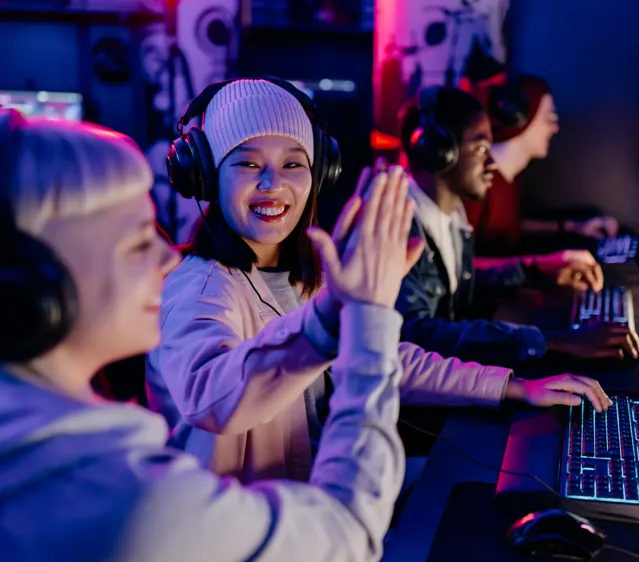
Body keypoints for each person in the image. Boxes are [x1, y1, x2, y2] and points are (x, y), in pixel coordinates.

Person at [0, 107, 420, 561]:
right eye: (138, 241)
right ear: (26, 286)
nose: (166, 259)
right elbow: (348, 534)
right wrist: (369, 318)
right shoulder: (134, 503)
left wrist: (333, 316)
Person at [145, 78, 612, 480]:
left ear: (319, 173)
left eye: (293, 164)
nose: (273, 184)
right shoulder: (196, 290)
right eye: (248, 163)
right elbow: (213, 397)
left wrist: (512, 387)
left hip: (315, 494)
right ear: (206, 176)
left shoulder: (304, 273)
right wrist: (328, 321)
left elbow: (388, 358)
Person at [396, 86, 639, 368]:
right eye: (481, 148)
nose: (491, 162)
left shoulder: (451, 212)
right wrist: (553, 341)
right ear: (437, 152)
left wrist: (537, 270)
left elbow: (459, 280)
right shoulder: (401, 224)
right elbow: (417, 334)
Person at [463, 74, 620, 256]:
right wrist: (542, 265)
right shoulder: (477, 180)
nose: (554, 128)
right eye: (549, 118)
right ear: (518, 118)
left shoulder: (511, 178)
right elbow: (462, 262)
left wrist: (573, 227)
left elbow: (511, 228)